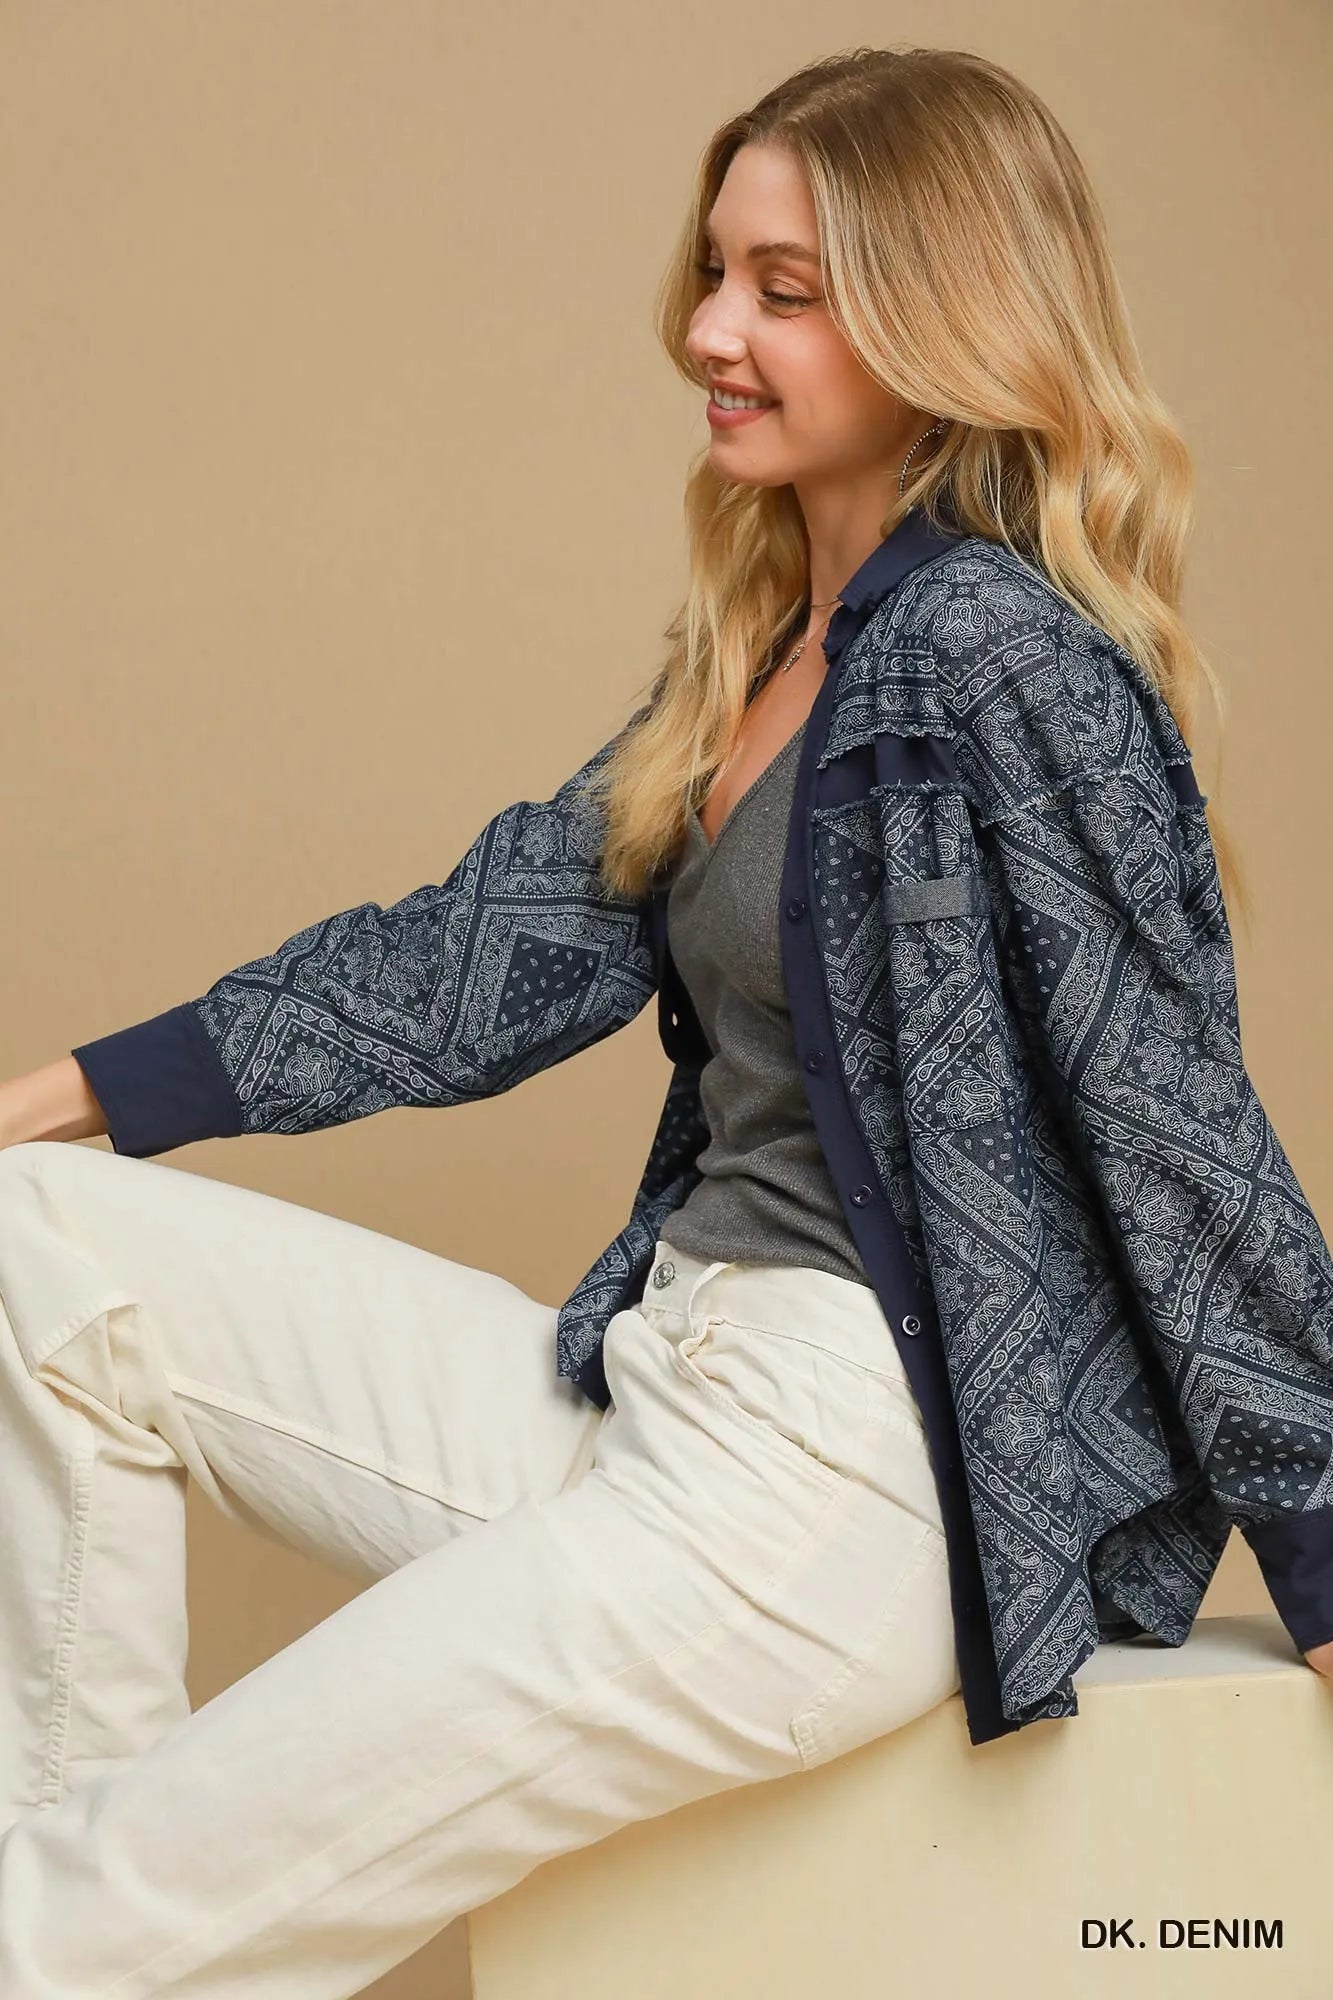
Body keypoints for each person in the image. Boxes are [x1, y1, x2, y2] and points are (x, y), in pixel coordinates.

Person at [1, 44, 1329, 1998]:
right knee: (42, 1252)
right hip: (652, 1388)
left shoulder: (1006, 659)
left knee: (136, 1877)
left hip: (837, 1483)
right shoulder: (767, 644)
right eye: (716, 271)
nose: (708, 330)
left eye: (785, 291)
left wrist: (1320, 1560)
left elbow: (1173, 1124)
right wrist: (56, 1097)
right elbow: (479, 955)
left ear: (942, 319)